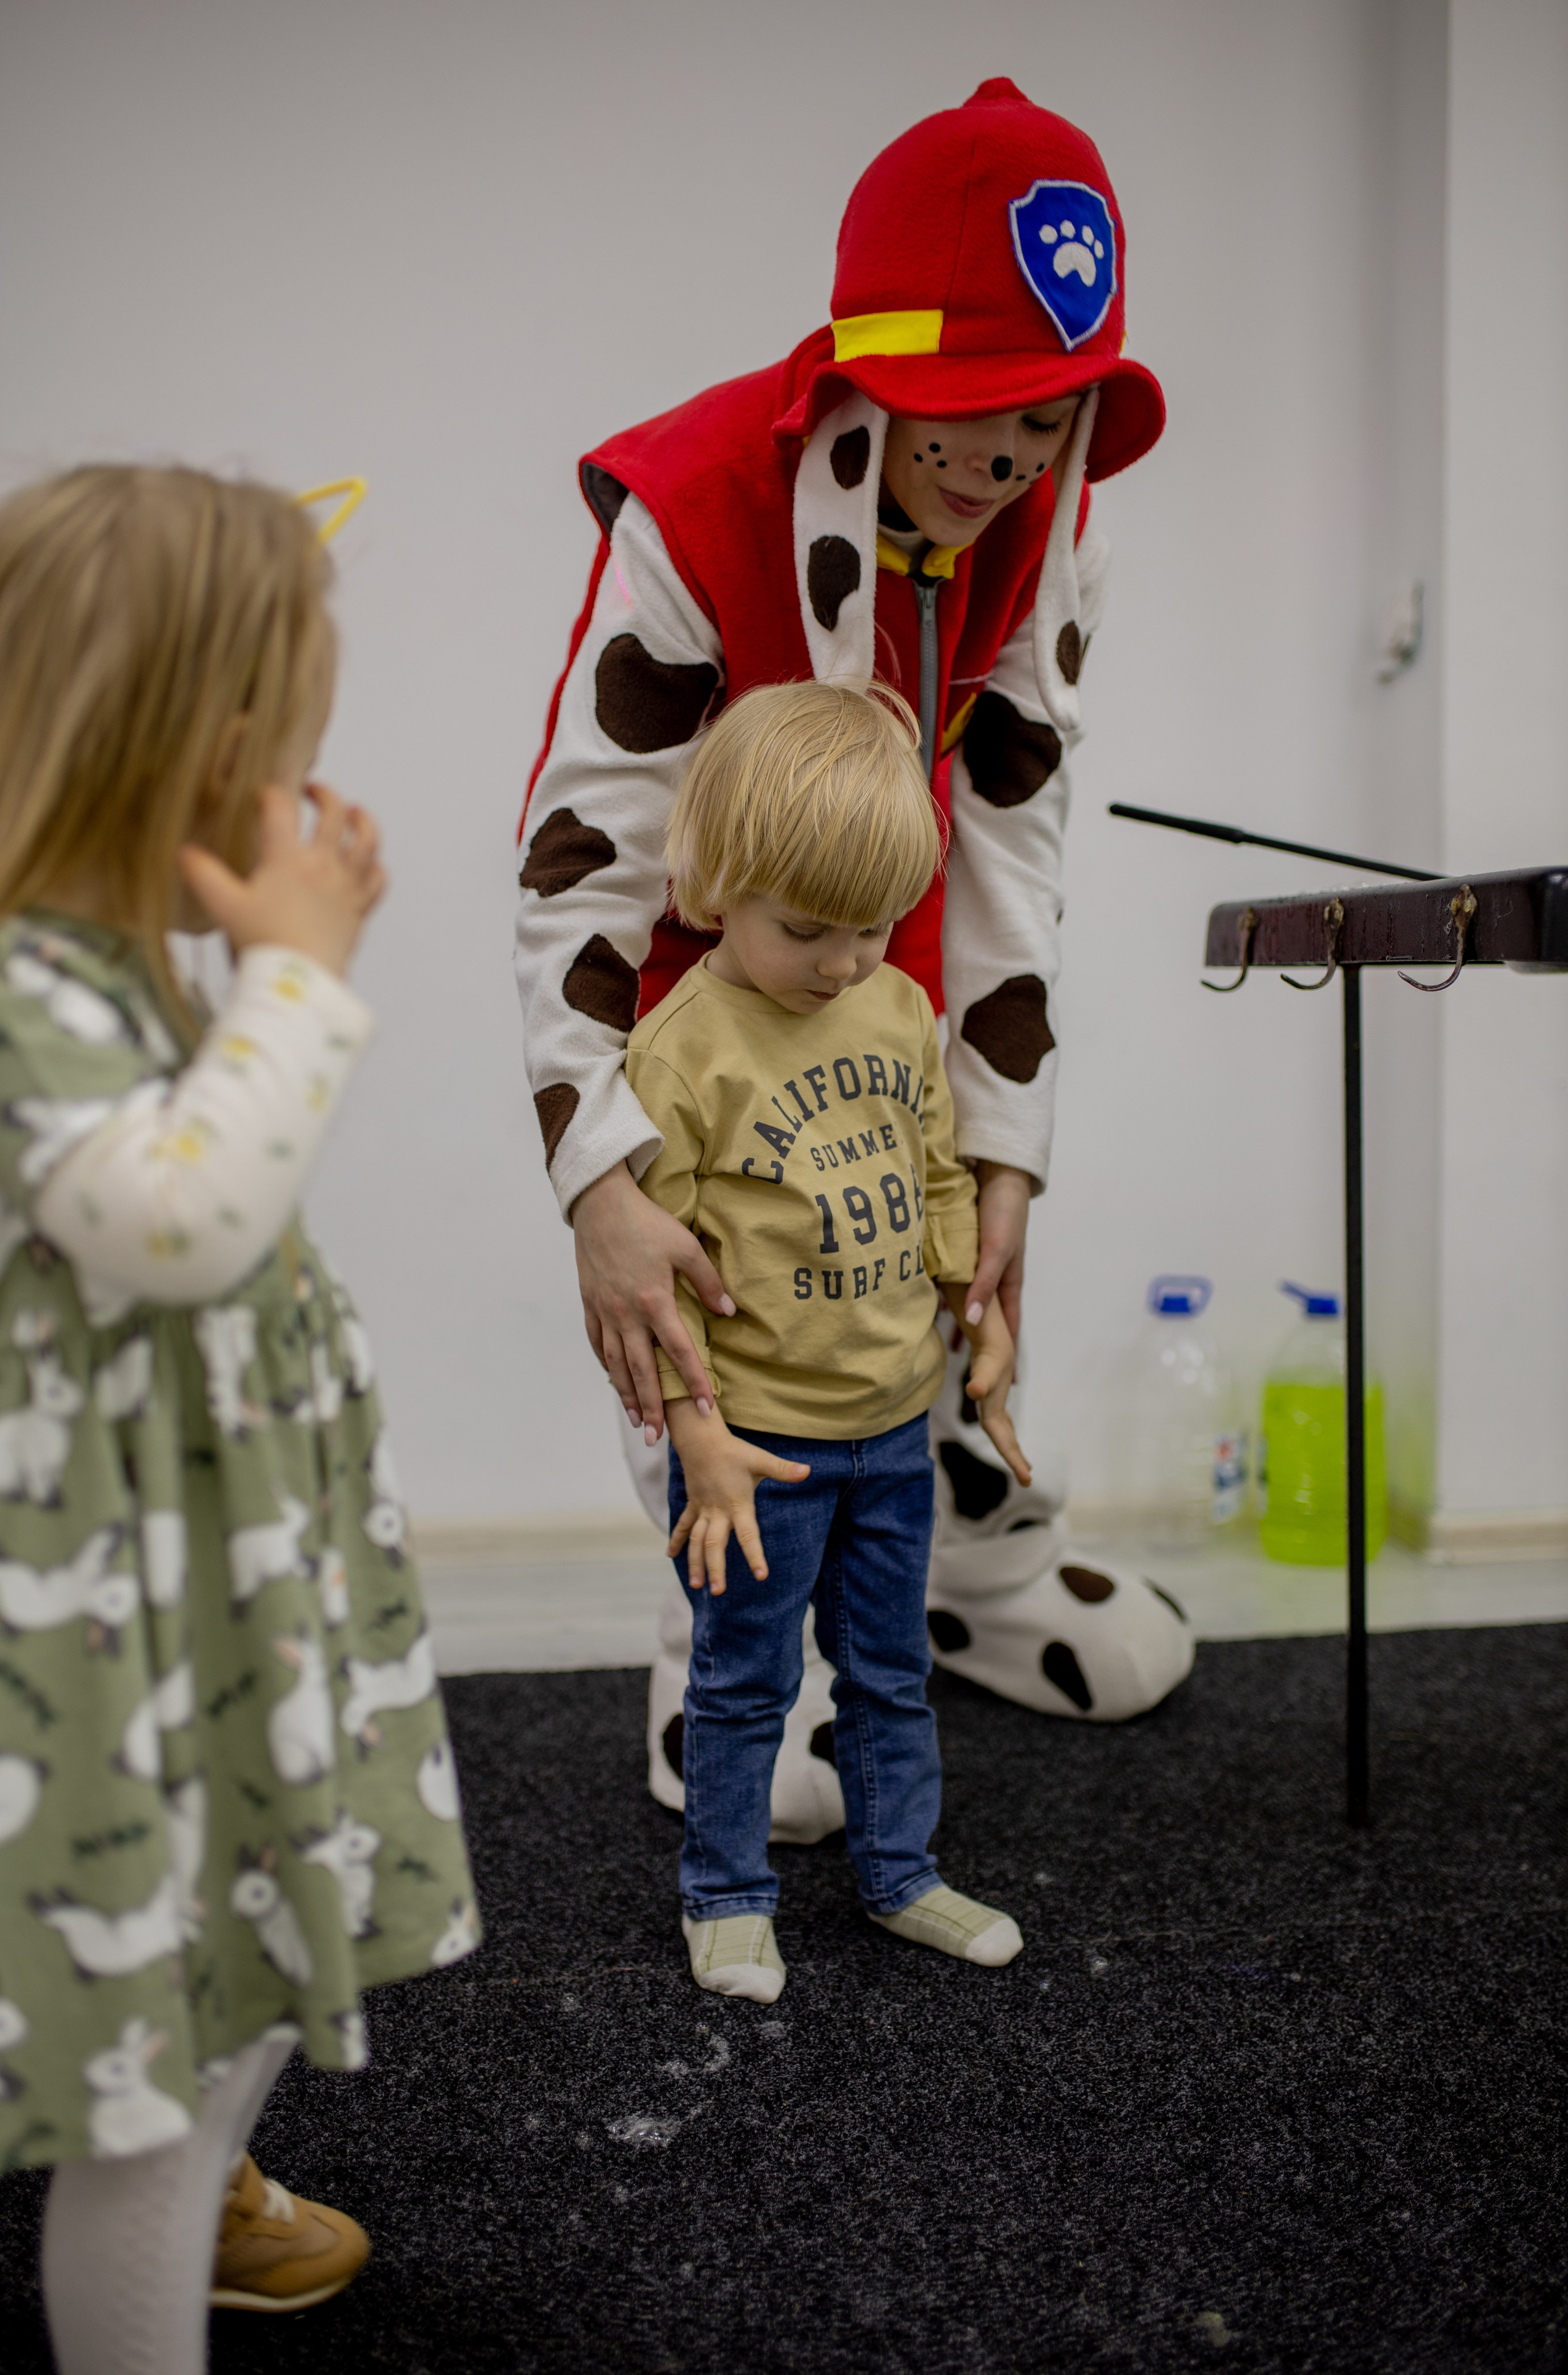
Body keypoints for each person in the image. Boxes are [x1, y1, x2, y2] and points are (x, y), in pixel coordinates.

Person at [516, 77, 1193, 1831]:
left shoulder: (1054, 525)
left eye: (1047, 424)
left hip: (893, 1014)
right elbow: (578, 870)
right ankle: (725, 1644)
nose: (1005, 470)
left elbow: (1015, 847)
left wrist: (1004, 1151)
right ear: (867, 369)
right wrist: (600, 1180)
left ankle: (967, 1568)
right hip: (705, 1011)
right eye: (968, 423)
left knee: (941, 1274)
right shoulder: (697, 505)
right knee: (734, 1321)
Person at [0, 465, 479, 2375]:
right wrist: (302, 976)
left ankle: (198, 2181)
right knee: (159, 2066)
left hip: (185, 1578)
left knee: (216, 1997)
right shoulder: (21, 978)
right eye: (294, 728)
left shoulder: (108, 957)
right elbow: (175, 1217)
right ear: (195, 745)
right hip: (97, 1608)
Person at [630, 680, 1031, 2001]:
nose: (844, 962)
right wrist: (698, 1438)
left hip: (893, 1423)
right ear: (714, 884)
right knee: (744, 1682)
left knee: (889, 1670)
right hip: (762, 1444)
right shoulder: (681, 1052)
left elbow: (930, 1176)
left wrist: (975, 1318)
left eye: (871, 928)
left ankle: (899, 1874)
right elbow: (664, 1275)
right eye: (807, 929)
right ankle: (727, 1896)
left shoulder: (899, 1010)